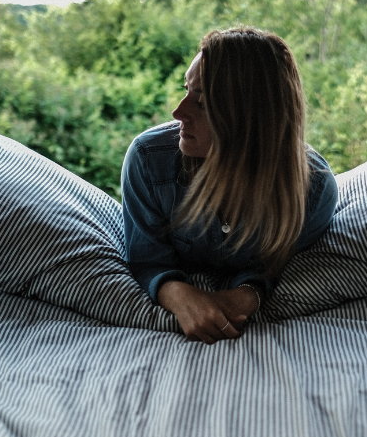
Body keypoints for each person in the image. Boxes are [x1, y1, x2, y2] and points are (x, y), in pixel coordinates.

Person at [121, 27, 338, 345]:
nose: (179, 112)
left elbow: (278, 268)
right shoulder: (149, 161)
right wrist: (182, 298)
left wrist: (248, 294)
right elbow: (146, 259)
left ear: (251, 119)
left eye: (203, 103)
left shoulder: (313, 192)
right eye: (186, 91)